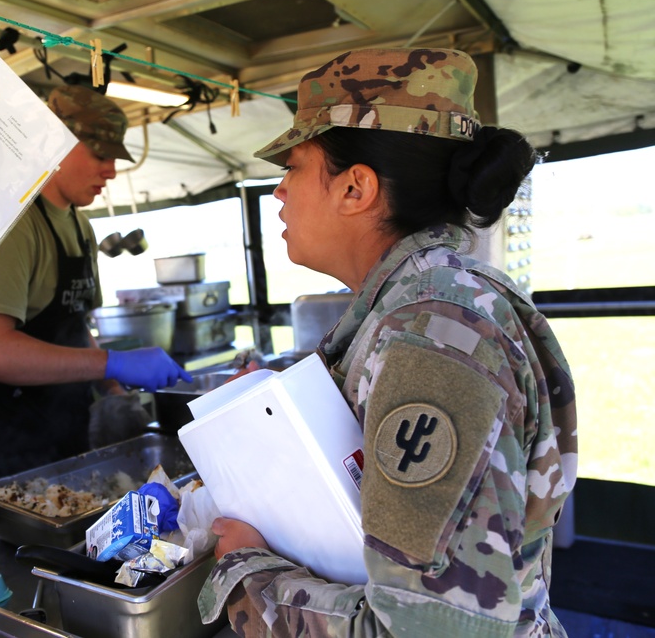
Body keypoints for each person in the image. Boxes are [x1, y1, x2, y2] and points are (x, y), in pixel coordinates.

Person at [199, 48, 577, 637]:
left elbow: (431, 631)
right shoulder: (417, 306)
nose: (277, 193)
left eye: (292, 167)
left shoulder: (433, 339)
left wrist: (245, 570)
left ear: (355, 188)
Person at [0, 85, 191, 482]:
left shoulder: (81, 226)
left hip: (67, 426)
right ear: (51, 144)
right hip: (9, 439)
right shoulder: (9, 223)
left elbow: (75, 324)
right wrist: (112, 362)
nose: (112, 171)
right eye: (100, 155)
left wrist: (115, 391)